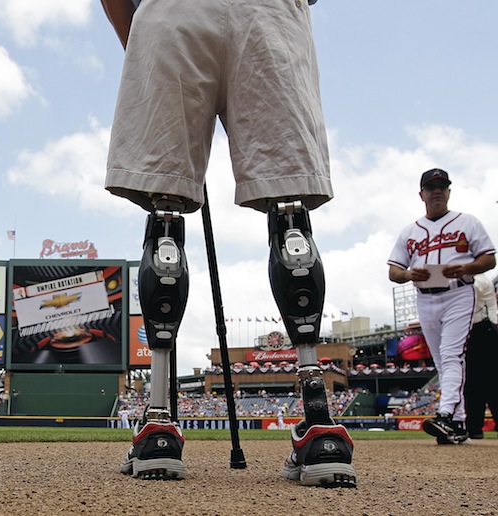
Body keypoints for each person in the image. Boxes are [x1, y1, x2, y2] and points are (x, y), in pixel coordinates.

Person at [101, 0, 356, 487]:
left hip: (172, 13)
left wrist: (142, 37)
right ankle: (320, 425)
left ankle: (157, 425)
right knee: (289, 214)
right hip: (269, 14)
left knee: (166, 211)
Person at [387, 168, 496, 445]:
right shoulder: (410, 231)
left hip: (458, 293)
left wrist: (466, 267)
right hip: (425, 296)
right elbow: (394, 272)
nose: (437, 191)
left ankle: (446, 414)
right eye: (431, 186)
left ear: (448, 191)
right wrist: (411, 274)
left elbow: (489, 259)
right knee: (441, 360)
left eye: (442, 186)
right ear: (421, 194)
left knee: (450, 355)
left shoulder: (467, 222)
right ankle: (458, 425)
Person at [464, 273, 498, 439]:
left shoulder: (479, 279)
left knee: (486, 384)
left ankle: (474, 428)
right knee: (473, 385)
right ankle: (474, 428)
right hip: (479, 330)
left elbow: (469, 292)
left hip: (485, 329)